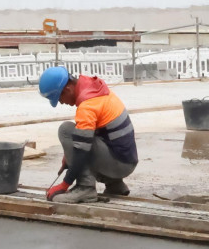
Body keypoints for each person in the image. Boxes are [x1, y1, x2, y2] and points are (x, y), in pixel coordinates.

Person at [39, 66, 138, 203]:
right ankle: (115, 185)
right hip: (126, 159)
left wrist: (64, 184)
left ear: (67, 89)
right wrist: (69, 155)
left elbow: (81, 151)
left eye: (60, 99)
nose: (62, 103)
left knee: (66, 130)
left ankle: (85, 189)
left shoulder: (87, 106)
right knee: (83, 140)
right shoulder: (93, 88)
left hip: (119, 164)